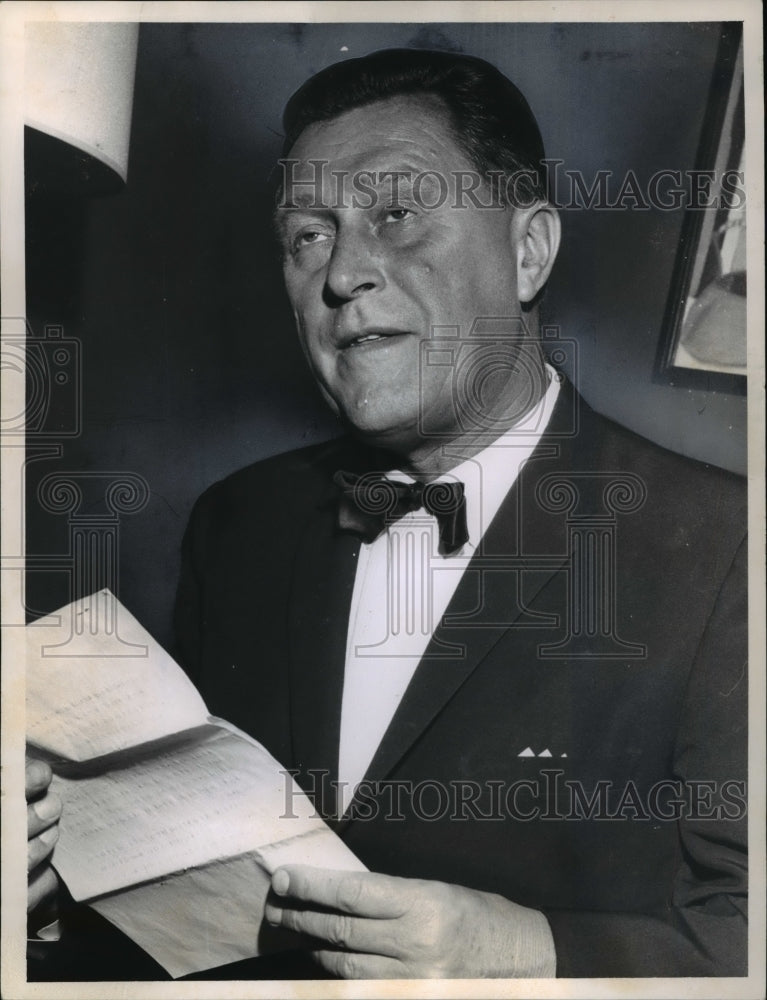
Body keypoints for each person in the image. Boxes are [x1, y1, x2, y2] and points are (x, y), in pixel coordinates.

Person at [27, 48, 747, 980]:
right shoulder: (238, 521)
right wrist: (46, 893)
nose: (342, 275)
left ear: (527, 251)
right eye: (306, 237)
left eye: (397, 215)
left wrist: (524, 953)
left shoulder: (727, 547)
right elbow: (181, 894)